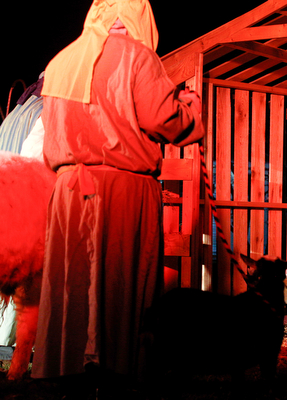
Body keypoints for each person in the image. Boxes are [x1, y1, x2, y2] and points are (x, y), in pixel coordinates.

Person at [31, 0, 204, 396]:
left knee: (72, 282)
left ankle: (69, 366)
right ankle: (118, 370)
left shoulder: (61, 62)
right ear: (140, 16)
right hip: (121, 189)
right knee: (123, 279)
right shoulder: (138, 58)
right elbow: (165, 120)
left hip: (70, 192)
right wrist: (192, 108)